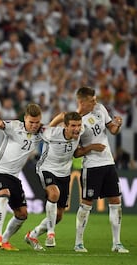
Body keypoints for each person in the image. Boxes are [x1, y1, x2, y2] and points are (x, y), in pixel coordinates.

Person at [24, 112, 105, 250]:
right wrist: (60, 116)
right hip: (46, 168)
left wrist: (90, 147)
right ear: (65, 126)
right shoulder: (51, 133)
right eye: (73, 125)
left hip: (64, 173)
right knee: (54, 194)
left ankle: (33, 234)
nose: (77, 128)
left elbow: (76, 153)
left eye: (79, 125)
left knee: (59, 215)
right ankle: (51, 234)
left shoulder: (80, 131)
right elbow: (40, 127)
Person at [73, 86, 129, 253]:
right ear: (82, 102)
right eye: (92, 100)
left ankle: (117, 243)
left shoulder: (100, 108)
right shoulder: (76, 122)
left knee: (116, 201)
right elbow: (75, 152)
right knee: (86, 204)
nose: (95, 102)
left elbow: (111, 129)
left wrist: (117, 125)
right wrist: (90, 147)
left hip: (108, 163)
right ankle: (78, 243)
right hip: (91, 167)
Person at [0, 103, 43, 251]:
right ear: (25, 118)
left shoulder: (41, 132)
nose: (34, 125)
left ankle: (5, 240)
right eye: (31, 122)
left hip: (14, 176)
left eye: (37, 122)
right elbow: (0, 124)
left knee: (22, 214)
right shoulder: (15, 126)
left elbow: (57, 130)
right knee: (4, 194)